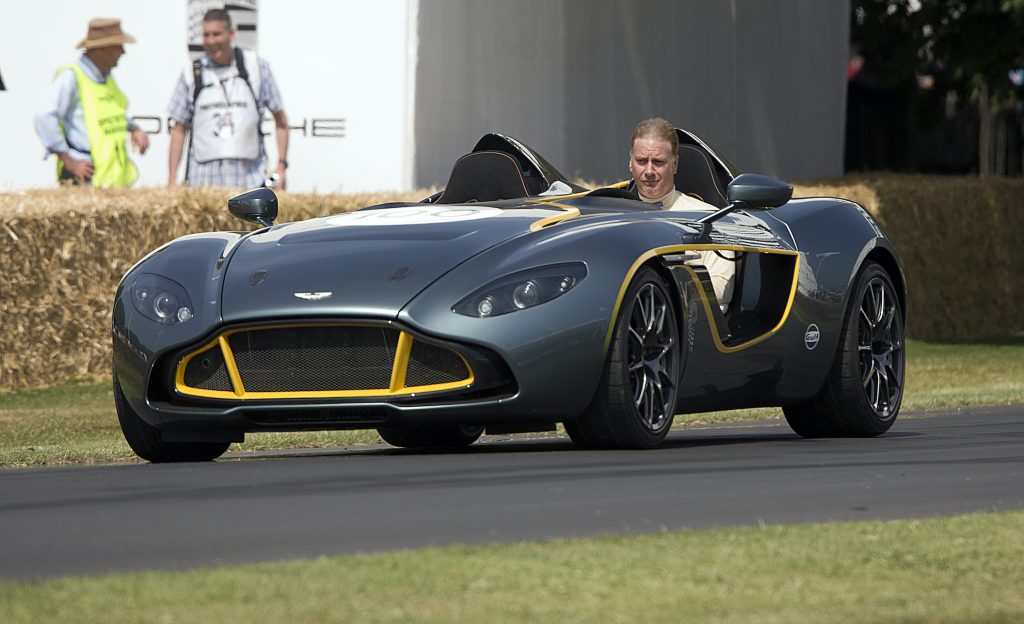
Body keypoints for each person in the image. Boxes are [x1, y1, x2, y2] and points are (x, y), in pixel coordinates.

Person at [167, 8, 289, 189]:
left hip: (249, 183)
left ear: (231, 34)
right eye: (206, 35)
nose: (211, 41)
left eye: (216, 34)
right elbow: (178, 129)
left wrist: (281, 165)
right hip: (202, 187)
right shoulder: (192, 73)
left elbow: (281, 121)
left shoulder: (256, 67)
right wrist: (171, 180)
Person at [628, 117, 736, 312]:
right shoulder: (609, 215)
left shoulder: (709, 217)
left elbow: (723, 288)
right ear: (630, 164)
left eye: (658, 162)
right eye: (641, 161)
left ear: (675, 164)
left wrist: (667, 289)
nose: (649, 171)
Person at [34, 18, 149, 187]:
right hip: (85, 180)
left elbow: (112, 113)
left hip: (110, 181)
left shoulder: (106, 77)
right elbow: (44, 117)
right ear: (102, 49)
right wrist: (69, 161)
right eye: (118, 46)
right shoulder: (71, 77)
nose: (123, 52)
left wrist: (133, 128)